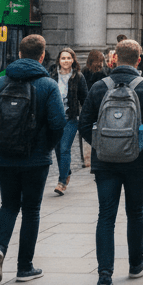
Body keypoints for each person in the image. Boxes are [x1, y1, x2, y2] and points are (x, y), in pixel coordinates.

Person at [78, 38, 143, 285]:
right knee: (135, 212)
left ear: (114, 59)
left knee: (106, 215)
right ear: (138, 60)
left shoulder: (99, 86)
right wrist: (139, 144)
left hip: (105, 162)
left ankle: (105, 275)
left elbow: (84, 125)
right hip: (136, 162)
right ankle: (136, 263)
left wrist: (102, 146)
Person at [0, 33, 66, 283]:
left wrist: (2, 144)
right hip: (36, 158)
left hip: (5, 157)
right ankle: (24, 267)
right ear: (42, 55)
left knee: (8, 205)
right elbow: (58, 123)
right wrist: (46, 147)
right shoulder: (48, 85)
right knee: (31, 209)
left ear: (19, 53)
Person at [50, 47, 87, 195]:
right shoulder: (52, 76)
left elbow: (85, 98)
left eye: (68, 58)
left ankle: (62, 181)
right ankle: (67, 171)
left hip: (71, 118)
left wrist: (85, 117)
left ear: (73, 60)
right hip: (55, 119)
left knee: (65, 148)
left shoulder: (78, 77)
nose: (66, 61)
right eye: (63, 58)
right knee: (58, 149)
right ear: (59, 60)